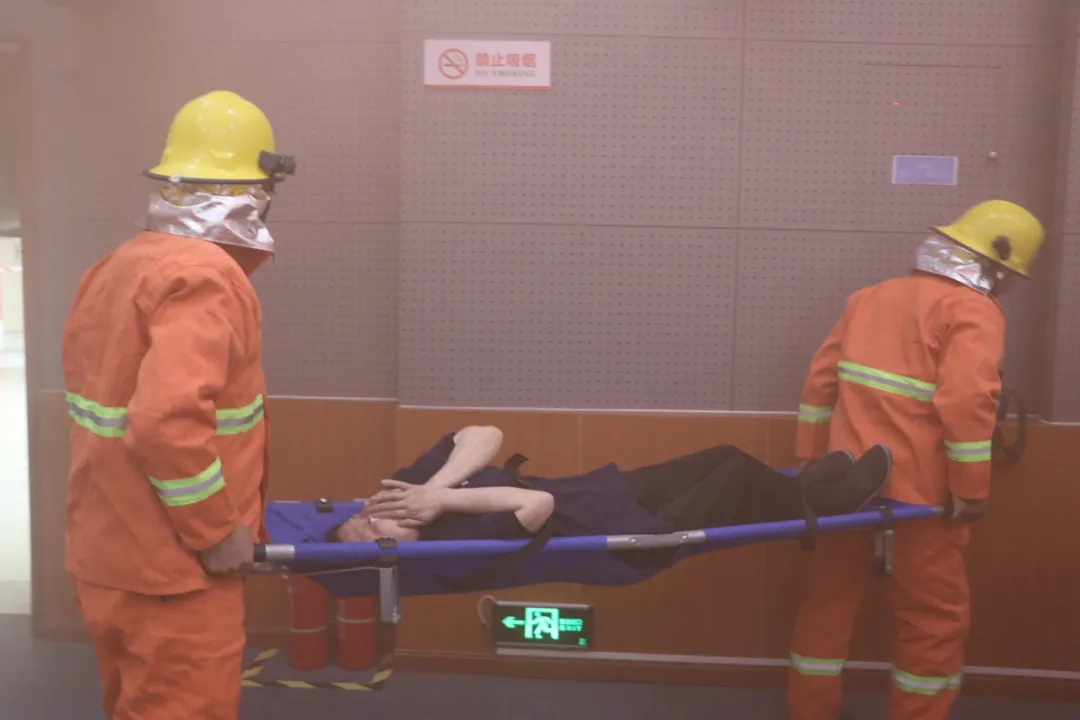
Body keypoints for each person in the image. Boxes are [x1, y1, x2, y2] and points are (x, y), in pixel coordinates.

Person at [62, 90, 296, 720]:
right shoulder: (206, 277)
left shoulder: (116, 267)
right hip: (175, 569)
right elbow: (164, 423)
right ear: (254, 192)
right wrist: (215, 530)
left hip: (105, 555)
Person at [786, 200, 1045, 720]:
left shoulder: (869, 298)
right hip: (922, 501)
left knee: (827, 606)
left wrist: (812, 465)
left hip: (844, 491)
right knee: (932, 620)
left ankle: (811, 712)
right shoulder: (973, 311)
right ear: (995, 266)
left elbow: (819, 386)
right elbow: (966, 402)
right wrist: (970, 489)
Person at [331, 425, 893, 549]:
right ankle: (829, 502)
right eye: (379, 539)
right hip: (636, 530)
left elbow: (485, 434)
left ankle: (807, 488)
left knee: (726, 455)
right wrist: (442, 502)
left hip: (609, 491)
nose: (382, 524)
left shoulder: (410, 489)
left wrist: (432, 486)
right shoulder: (453, 544)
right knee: (737, 477)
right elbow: (537, 503)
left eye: (366, 520)